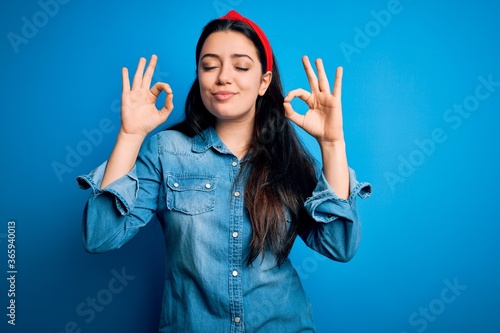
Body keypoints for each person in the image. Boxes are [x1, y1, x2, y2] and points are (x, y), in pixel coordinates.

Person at [77, 10, 371, 333]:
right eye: (209, 65)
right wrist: (130, 137)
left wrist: (332, 143)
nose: (223, 77)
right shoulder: (166, 150)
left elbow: (339, 245)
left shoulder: (287, 157)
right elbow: (100, 236)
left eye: (241, 66)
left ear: (264, 82)